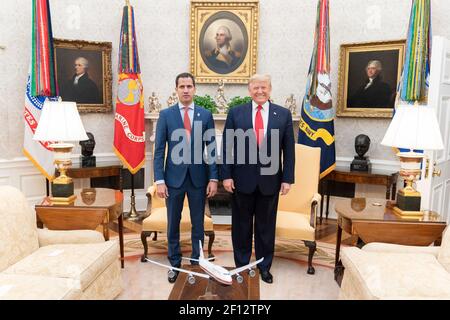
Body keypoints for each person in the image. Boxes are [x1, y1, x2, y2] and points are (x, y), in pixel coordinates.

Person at [221, 74, 295, 284]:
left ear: (270, 88)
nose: (260, 91)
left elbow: (288, 150)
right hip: (241, 180)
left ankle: (264, 266)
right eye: (256, 88)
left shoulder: (283, 114)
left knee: (265, 228)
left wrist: (287, 178)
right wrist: (225, 175)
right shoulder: (237, 113)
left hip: (270, 182)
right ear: (249, 90)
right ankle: (242, 266)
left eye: (263, 87)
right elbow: (227, 146)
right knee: (241, 227)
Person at [153, 72, 218, 283]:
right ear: (176, 89)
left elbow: (212, 150)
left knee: (198, 224)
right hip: (173, 180)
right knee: (173, 223)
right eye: (182, 86)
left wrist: (214, 178)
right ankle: (174, 264)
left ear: (195, 89)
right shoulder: (166, 115)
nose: (186, 90)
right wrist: (159, 180)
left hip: (199, 179)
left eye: (189, 86)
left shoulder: (205, 115)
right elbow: (159, 150)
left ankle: (197, 262)